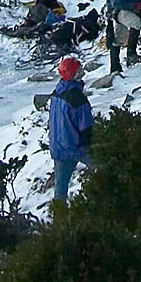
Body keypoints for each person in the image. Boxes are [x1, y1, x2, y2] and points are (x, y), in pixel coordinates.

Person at [48, 55, 94, 206]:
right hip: (75, 146)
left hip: (58, 146)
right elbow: (86, 126)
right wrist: (90, 144)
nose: (82, 71)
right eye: (79, 69)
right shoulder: (77, 97)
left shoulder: (56, 92)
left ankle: (58, 216)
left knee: (60, 190)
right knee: (103, 170)